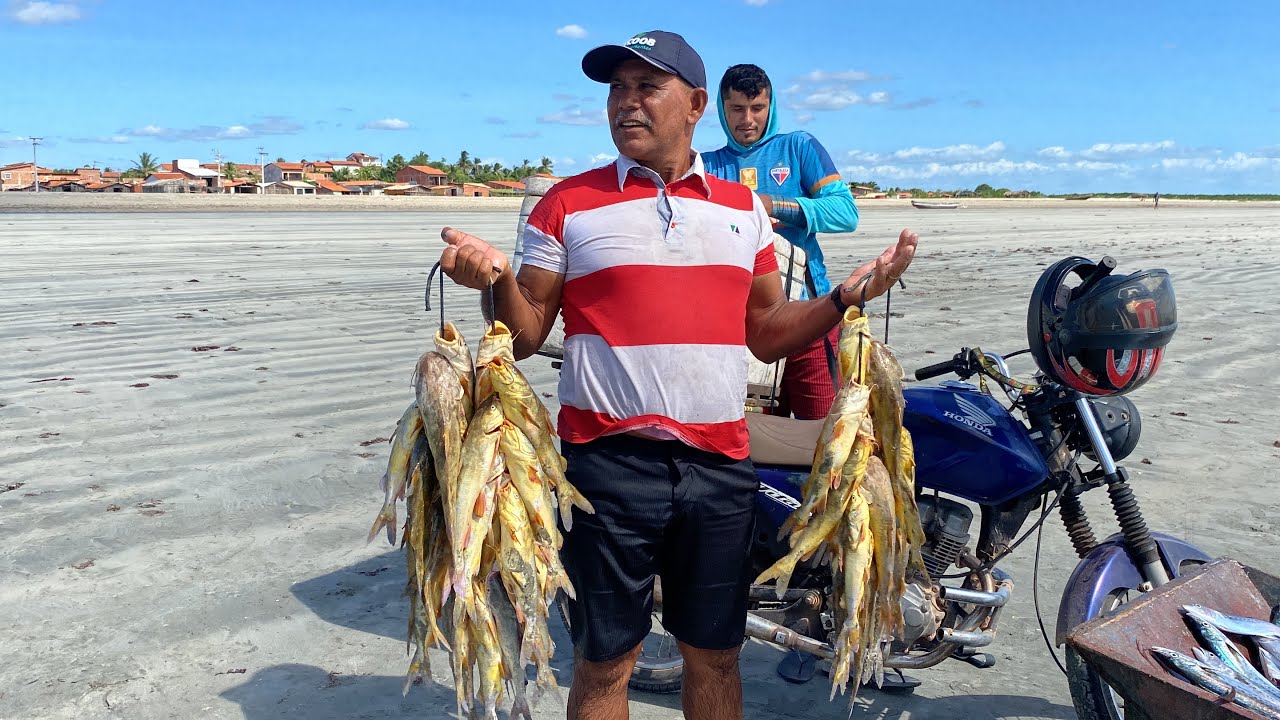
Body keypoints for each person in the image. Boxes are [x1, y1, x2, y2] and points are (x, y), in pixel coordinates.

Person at [436, 29, 917, 720]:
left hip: (719, 465)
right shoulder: (565, 204)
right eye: (616, 90)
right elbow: (527, 331)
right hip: (605, 466)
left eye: (645, 88)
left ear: (695, 104)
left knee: (716, 654)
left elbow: (766, 331)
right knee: (605, 663)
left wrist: (842, 298)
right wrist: (497, 280)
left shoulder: (742, 208)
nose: (625, 104)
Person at [702, 63, 861, 421]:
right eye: (736, 109)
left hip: (809, 316)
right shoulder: (707, 165)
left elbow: (845, 213)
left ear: (771, 107)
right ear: (721, 109)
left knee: (821, 435)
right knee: (757, 442)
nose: (747, 119)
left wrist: (775, 206)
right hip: (744, 330)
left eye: (757, 108)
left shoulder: (799, 147)